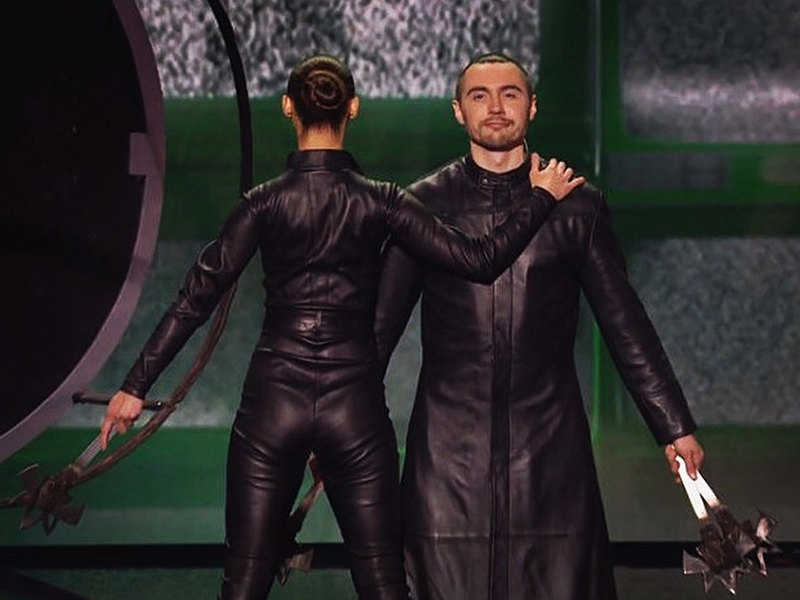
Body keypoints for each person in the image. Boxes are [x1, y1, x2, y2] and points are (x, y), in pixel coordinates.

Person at [99, 55, 584, 600]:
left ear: (288, 107)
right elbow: (480, 260)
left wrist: (134, 387)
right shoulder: (383, 200)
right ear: (353, 108)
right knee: (382, 583)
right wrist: (541, 197)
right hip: (353, 406)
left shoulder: (263, 203)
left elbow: (196, 298)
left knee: (245, 580)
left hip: (273, 402)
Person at [374, 52, 706, 600]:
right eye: (479, 96)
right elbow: (377, 332)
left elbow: (625, 324)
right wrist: (339, 423)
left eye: (510, 94)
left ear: (532, 106)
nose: (495, 107)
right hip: (448, 450)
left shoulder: (577, 206)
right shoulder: (425, 205)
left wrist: (673, 426)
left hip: (549, 445)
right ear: (458, 111)